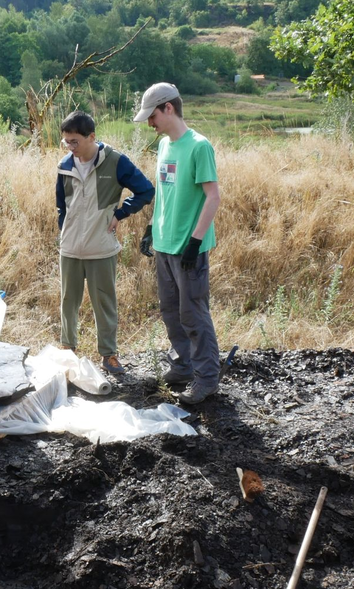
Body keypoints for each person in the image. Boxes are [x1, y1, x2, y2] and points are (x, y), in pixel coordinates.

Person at [134, 82, 222, 404]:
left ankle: (207, 379)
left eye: (152, 116)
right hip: (164, 244)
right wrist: (151, 228)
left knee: (193, 314)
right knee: (171, 310)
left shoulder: (199, 147)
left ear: (168, 108)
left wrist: (195, 242)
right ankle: (183, 365)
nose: (150, 123)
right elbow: (165, 194)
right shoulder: (164, 147)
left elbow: (213, 197)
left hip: (189, 248)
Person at [55, 111, 155, 375]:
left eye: (75, 141)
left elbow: (146, 190)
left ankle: (109, 355)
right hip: (70, 249)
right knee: (68, 302)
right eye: (66, 141)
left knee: (105, 303)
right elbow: (60, 205)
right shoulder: (65, 164)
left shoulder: (116, 161)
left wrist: (120, 213)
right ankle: (68, 351)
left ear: (92, 137)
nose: (70, 147)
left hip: (101, 247)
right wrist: (64, 229)